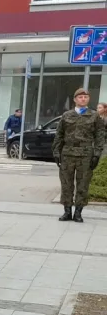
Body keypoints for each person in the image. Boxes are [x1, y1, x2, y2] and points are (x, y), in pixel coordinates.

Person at [54, 87, 106, 222]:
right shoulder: (66, 115)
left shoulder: (94, 116)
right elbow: (59, 135)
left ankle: (78, 212)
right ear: (75, 100)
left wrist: (97, 154)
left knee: (83, 184)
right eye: (80, 97)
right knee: (66, 184)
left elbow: (100, 136)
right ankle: (67, 212)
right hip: (67, 154)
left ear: (88, 99)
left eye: (86, 97)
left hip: (86, 154)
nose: (83, 99)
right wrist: (56, 152)